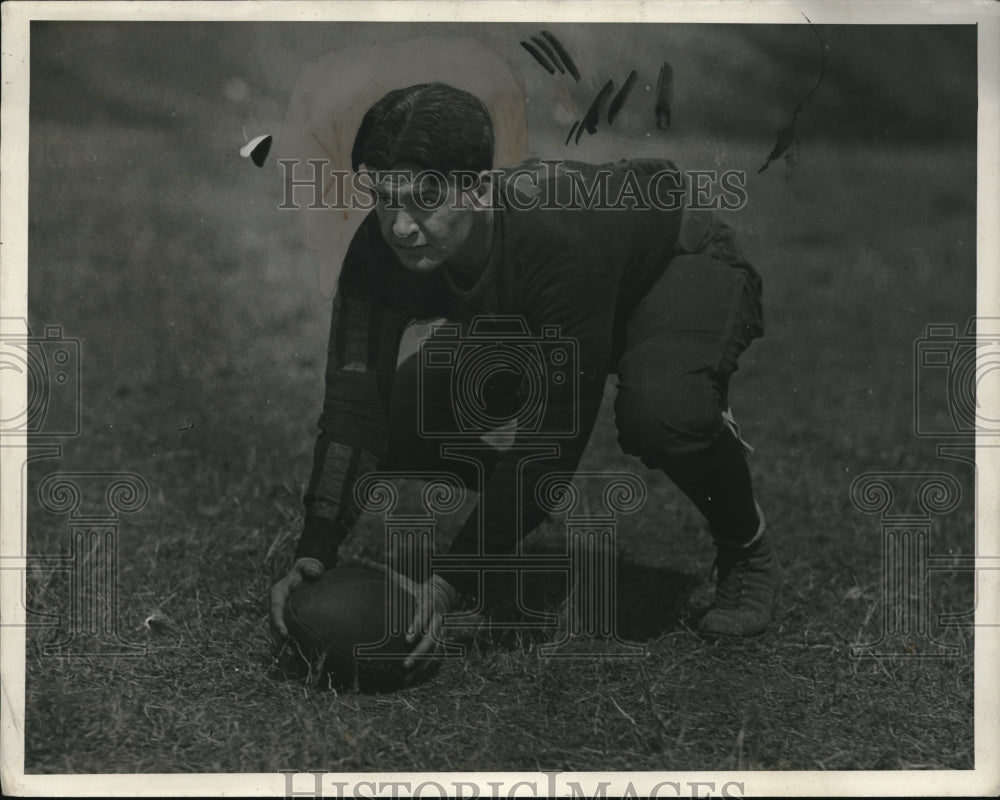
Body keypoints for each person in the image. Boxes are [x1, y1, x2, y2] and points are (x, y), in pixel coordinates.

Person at [270, 82, 775, 672]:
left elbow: (552, 441)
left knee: (663, 414)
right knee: (400, 419)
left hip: (670, 264)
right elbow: (356, 408)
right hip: (541, 310)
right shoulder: (377, 252)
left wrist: (449, 581)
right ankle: (510, 500)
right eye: (383, 197)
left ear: (480, 187)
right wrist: (315, 550)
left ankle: (746, 548)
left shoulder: (556, 238)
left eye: (425, 198)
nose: (400, 227)